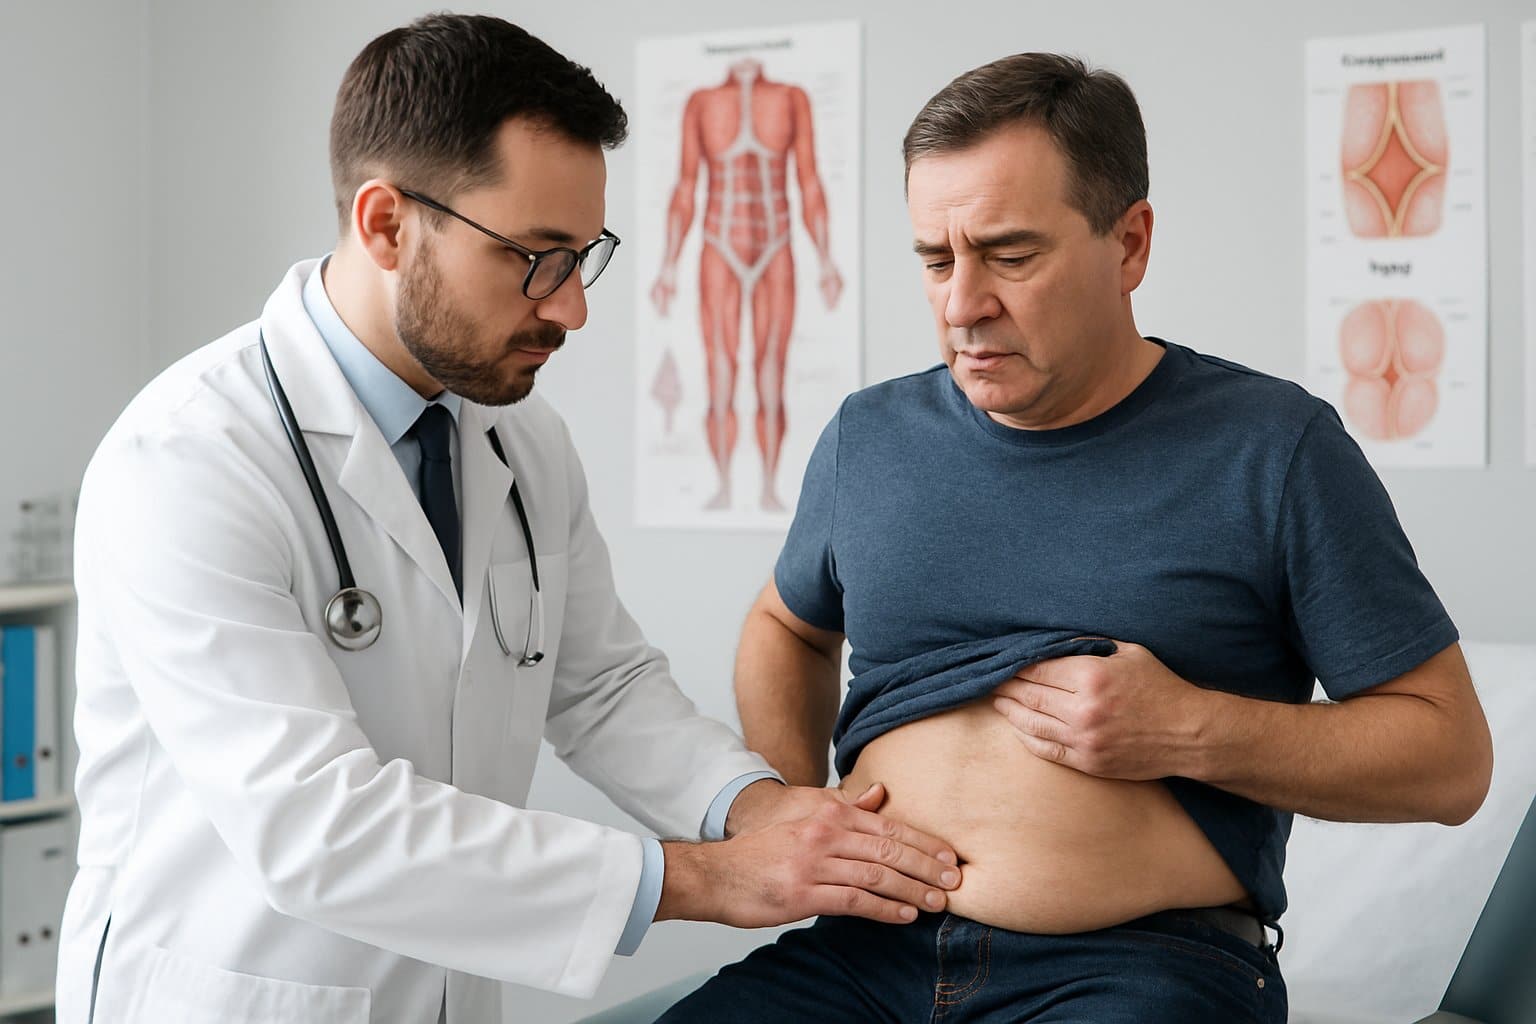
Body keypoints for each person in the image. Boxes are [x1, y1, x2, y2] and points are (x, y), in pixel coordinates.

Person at [54, 15, 959, 1024]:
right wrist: (708, 877)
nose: (571, 309)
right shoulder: (191, 457)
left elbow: (603, 687)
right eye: (535, 258)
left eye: (582, 256)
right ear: (386, 224)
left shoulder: (518, 441)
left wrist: (758, 807)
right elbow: (316, 824)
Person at [660, 52, 1493, 1023]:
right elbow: (787, 626)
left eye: (1010, 255)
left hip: (1141, 969)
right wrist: (789, 802)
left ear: (1130, 243)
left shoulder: (1273, 450)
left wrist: (1187, 726)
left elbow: (1450, 759)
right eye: (937, 258)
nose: (962, 303)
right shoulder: (868, 438)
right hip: (860, 959)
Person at [650, 57, 844, 511]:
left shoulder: (791, 98)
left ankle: (770, 487)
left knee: (771, 371)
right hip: (720, 243)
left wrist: (826, 260)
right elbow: (685, 187)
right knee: (720, 370)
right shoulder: (702, 103)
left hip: (776, 242)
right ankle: (723, 484)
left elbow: (809, 181)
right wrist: (668, 266)